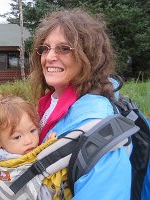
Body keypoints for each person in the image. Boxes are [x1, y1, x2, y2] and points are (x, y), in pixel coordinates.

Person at [28, 8, 131, 199]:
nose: (49, 57)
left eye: (64, 48)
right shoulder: (48, 104)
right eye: (45, 48)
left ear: (90, 57)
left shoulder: (100, 127)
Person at [0, 95, 61, 200]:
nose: (29, 141)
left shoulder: (10, 151)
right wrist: (51, 154)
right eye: (17, 137)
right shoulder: (8, 166)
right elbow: (43, 195)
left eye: (32, 130)